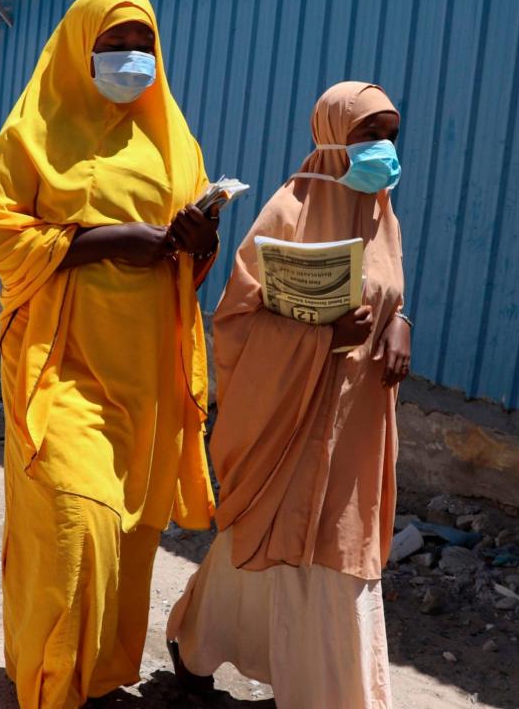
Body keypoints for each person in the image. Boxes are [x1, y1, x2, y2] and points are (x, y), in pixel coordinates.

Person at [0, 0, 220, 708]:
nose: (129, 59)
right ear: (81, 49)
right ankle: (53, 685)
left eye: (141, 45)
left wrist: (197, 241)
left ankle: (100, 675)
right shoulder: (32, 133)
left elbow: (190, 250)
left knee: (132, 536)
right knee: (78, 525)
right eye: (113, 45)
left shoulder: (173, 139)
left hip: (145, 367)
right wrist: (102, 242)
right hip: (62, 364)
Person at [166, 82, 410, 709]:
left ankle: (225, 651)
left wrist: (400, 326)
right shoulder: (289, 210)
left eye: (390, 135)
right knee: (274, 531)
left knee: (334, 547)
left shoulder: (384, 213)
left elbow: (391, 295)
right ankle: (204, 646)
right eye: (368, 135)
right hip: (287, 417)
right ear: (332, 136)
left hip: (355, 419)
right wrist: (321, 335)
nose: (382, 149)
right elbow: (237, 323)